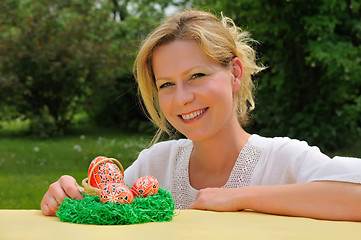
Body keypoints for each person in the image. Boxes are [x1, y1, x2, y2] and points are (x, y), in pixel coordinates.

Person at [41, 9, 361, 221]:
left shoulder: (282, 160)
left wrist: (240, 198)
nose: (182, 98)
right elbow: (102, 207)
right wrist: (66, 195)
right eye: (166, 84)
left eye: (196, 76)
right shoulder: (156, 163)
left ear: (235, 73)